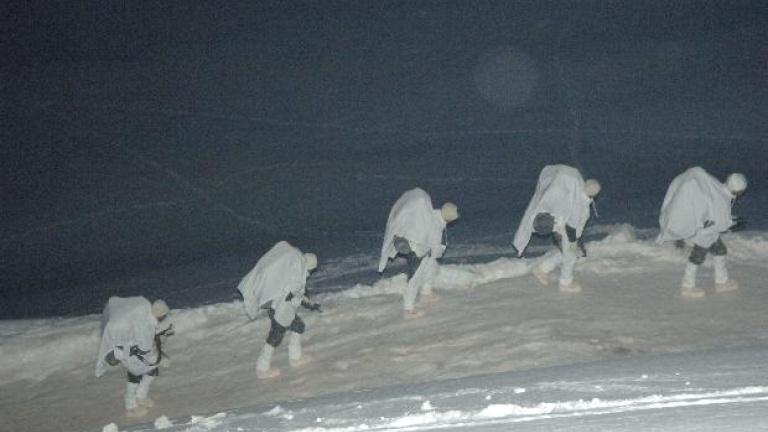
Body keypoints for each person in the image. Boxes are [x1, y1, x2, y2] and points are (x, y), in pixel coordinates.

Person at [657, 167, 747, 298]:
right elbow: (721, 224)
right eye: (742, 191)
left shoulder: (717, 188)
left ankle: (721, 281)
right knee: (697, 258)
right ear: (739, 191)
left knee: (720, 251)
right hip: (705, 235)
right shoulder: (722, 199)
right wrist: (733, 223)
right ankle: (688, 286)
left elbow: (715, 214)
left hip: (709, 233)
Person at [237, 241, 321, 379]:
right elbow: (294, 293)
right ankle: (262, 368)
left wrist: (311, 304)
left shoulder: (296, 274)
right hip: (279, 312)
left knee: (299, 326)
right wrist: (294, 297)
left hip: (283, 311)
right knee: (274, 338)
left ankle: (295, 357)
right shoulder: (297, 276)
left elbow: (298, 295)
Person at [513, 165, 601, 293]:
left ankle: (542, 269)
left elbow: (577, 221)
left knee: (568, 252)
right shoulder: (579, 200)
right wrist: (573, 239)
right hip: (565, 229)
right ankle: (566, 283)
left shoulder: (579, 195)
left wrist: (575, 238)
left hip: (565, 228)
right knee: (570, 256)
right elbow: (573, 223)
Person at [378, 188, 459, 318]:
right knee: (415, 277)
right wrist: (433, 250)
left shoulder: (433, 215)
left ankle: (426, 293)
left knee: (432, 267)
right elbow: (436, 249)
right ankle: (408, 309)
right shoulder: (434, 224)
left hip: (422, 249)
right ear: (449, 219)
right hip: (417, 249)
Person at [96, 296, 171, 418]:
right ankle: (130, 406)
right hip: (129, 354)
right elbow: (144, 346)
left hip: (136, 353)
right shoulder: (144, 323)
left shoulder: (147, 317)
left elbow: (148, 346)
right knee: (135, 377)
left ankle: (141, 396)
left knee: (152, 371)